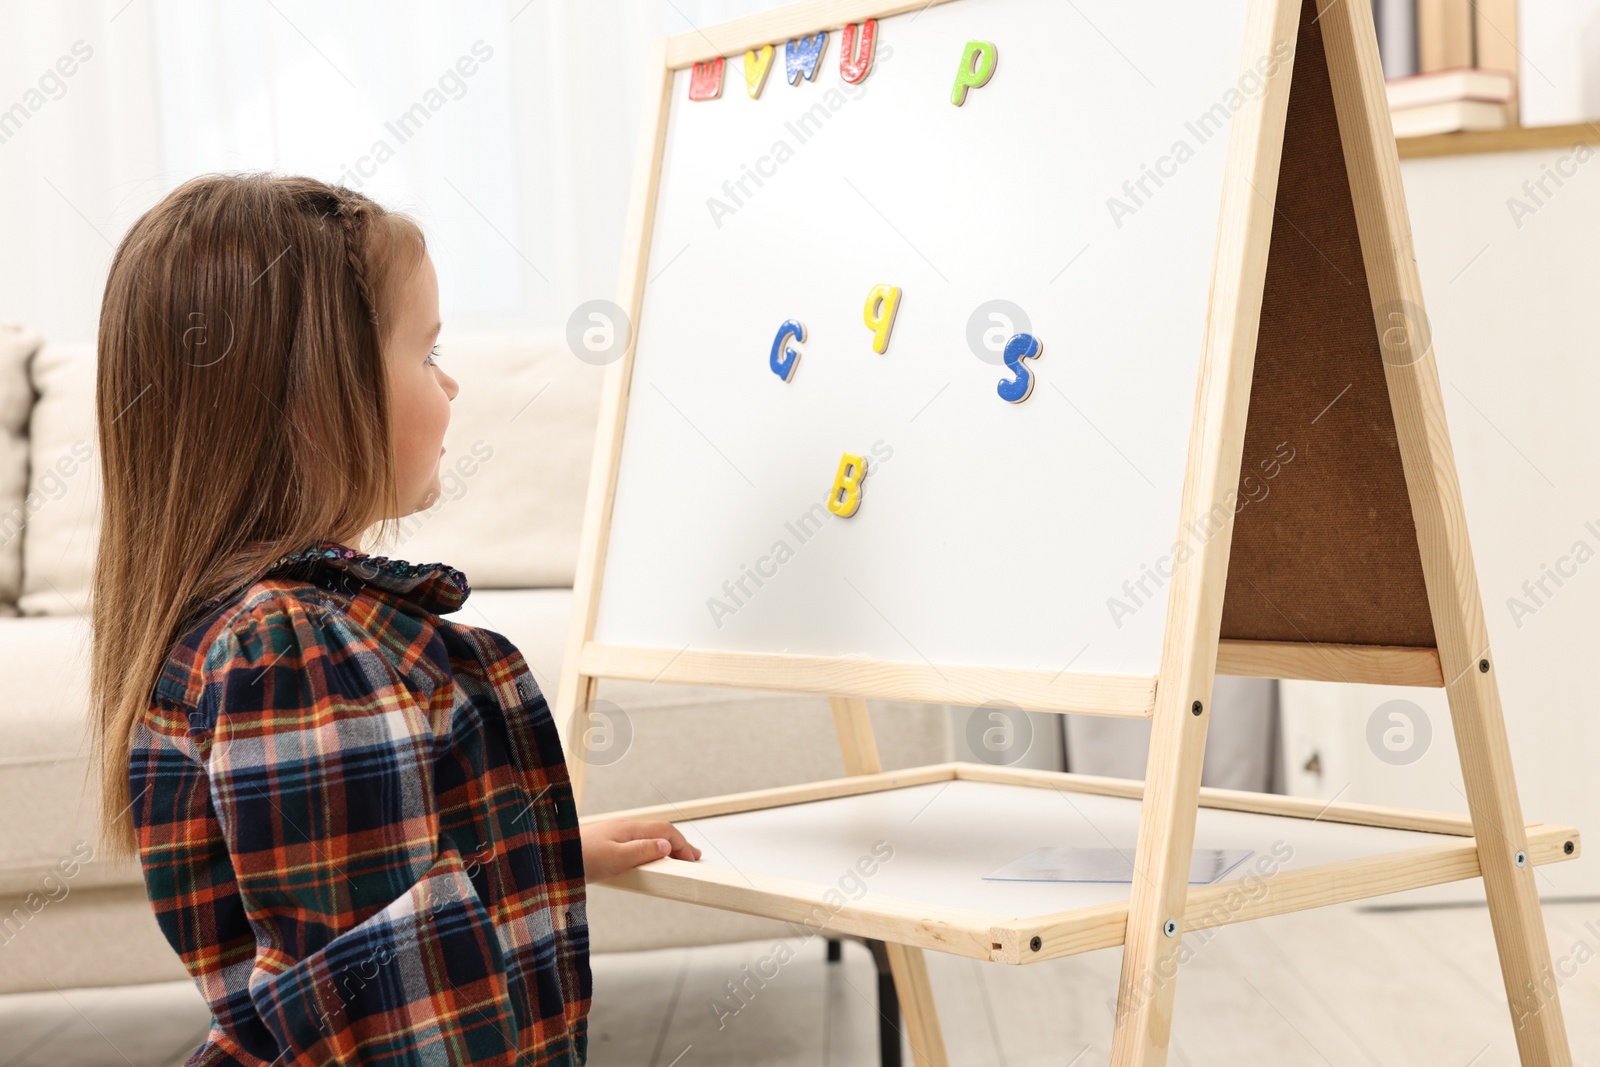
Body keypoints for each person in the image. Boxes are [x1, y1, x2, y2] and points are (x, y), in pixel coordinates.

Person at [86, 173, 701, 1066]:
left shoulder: (260, 632)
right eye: (425, 352)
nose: (449, 383)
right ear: (306, 402)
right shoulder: (293, 653)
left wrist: (542, 850)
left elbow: (382, 881)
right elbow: (395, 1013)